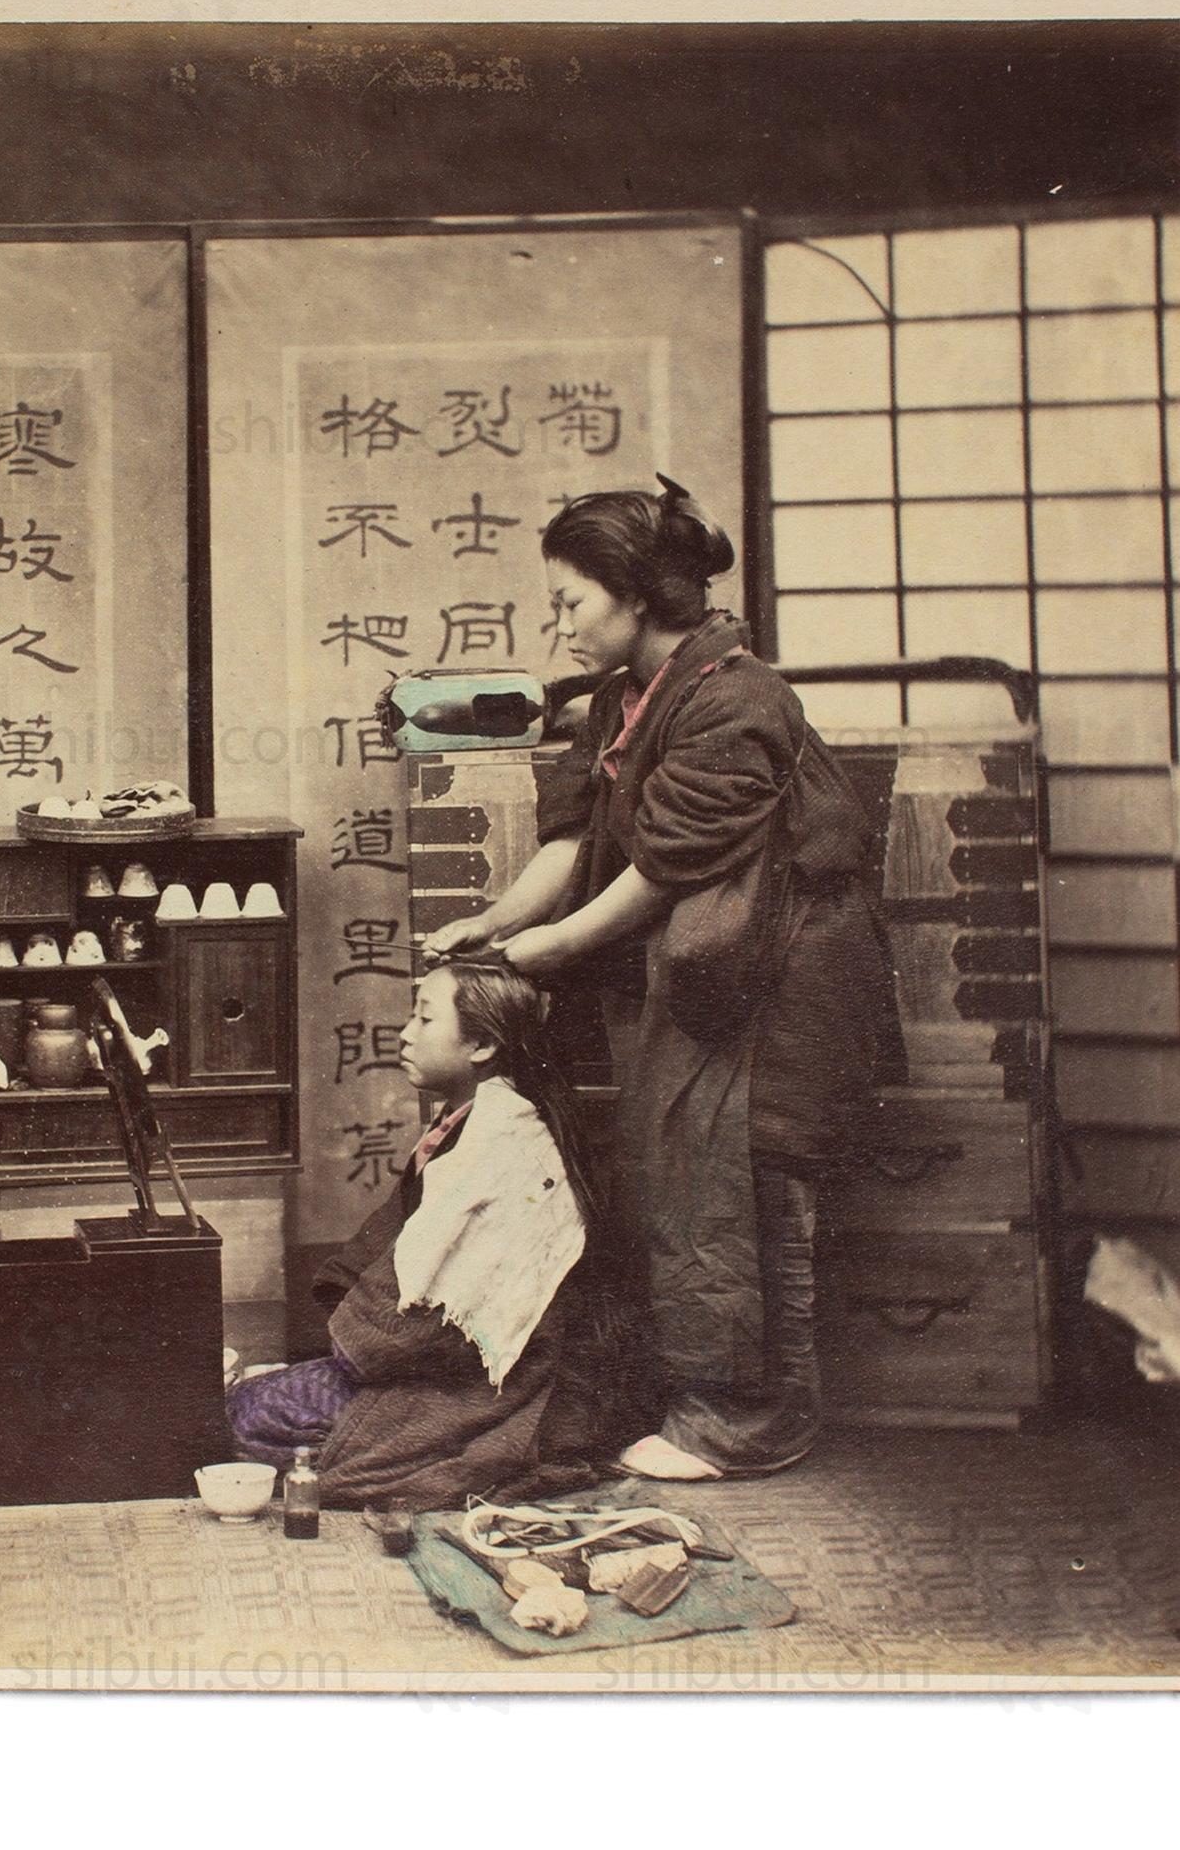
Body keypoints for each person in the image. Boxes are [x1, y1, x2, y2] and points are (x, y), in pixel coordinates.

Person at [424, 475, 901, 1480]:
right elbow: (575, 838)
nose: (558, 621)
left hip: (781, 980)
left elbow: (665, 864)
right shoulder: (620, 697)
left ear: (635, 595)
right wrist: (499, 920)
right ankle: (711, 1401)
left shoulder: (739, 697)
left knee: (752, 1192)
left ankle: (755, 1422)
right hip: (711, 973)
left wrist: (558, 947)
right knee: (688, 1184)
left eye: (570, 600)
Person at [225, 960, 649, 1510]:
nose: (405, 1034)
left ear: (482, 1046)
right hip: (440, 1365)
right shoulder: (467, 1122)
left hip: (503, 1388)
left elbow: (443, 1318)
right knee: (243, 1401)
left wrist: (362, 1346)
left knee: (249, 1417)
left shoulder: (507, 1143)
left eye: (425, 1019)